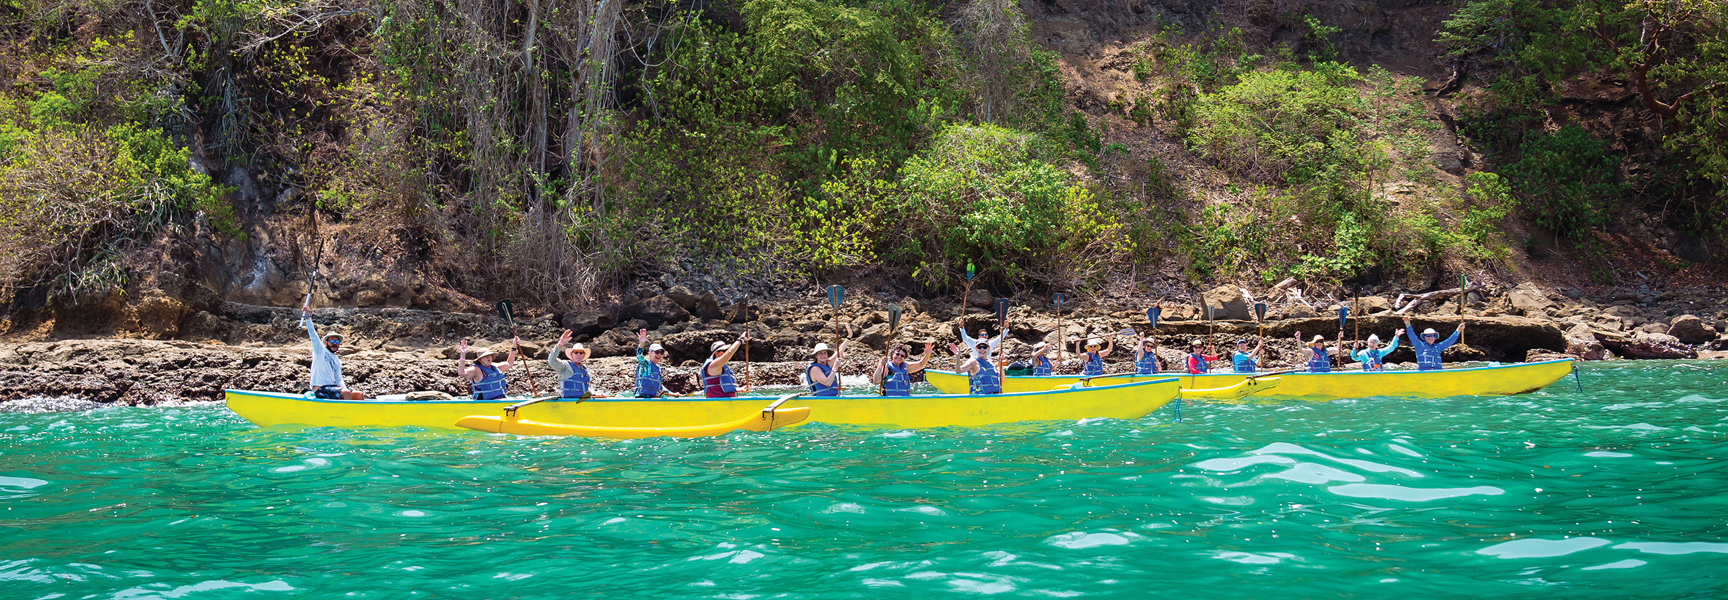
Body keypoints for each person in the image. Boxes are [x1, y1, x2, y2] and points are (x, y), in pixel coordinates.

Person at [301, 305, 362, 399]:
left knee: (358, 394)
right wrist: (308, 317)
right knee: (345, 393)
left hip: (332, 388)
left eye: (337, 342)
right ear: (326, 342)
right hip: (319, 389)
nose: (335, 344)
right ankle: (345, 413)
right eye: (332, 341)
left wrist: (346, 391)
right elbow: (313, 334)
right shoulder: (320, 351)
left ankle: (356, 412)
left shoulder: (337, 360)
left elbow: (339, 379)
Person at [807, 324, 852, 396]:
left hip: (833, 398)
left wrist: (849, 337)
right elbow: (827, 383)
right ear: (816, 356)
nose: (823, 355)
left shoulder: (828, 363)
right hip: (821, 401)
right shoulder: (815, 369)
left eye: (824, 353)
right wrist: (835, 368)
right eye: (820, 353)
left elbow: (839, 351)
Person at [702, 331, 750, 398]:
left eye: (726, 350)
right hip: (717, 402)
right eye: (724, 351)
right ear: (717, 353)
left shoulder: (721, 366)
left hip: (727, 401)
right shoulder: (713, 365)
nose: (726, 352)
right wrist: (740, 339)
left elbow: (721, 386)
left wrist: (739, 389)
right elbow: (729, 353)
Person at [548, 329, 594, 399]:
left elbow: (584, 390)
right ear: (571, 355)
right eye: (576, 352)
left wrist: (593, 395)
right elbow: (552, 361)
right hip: (566, 402)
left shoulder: (584, 370)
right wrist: (560, 343)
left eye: (581, 353)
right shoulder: (564, 366)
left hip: (581, 403)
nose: (578, 355)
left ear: (583, 356)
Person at [634, 329, 667, 398]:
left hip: (653, 398)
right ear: (650, 353)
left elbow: (659, 386)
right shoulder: (645, 364)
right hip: (642, 398)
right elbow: (639, 356)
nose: (659, 354)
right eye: (657, 352)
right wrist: (642, 344)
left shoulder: (658, 368)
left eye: (661, 352)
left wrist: (674, 394)